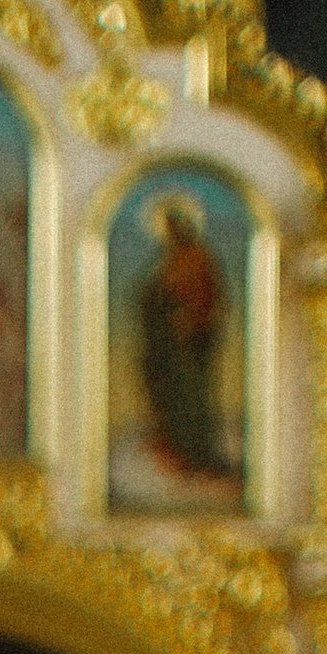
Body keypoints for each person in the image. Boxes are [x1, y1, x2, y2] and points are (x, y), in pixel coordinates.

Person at [135, 194, 230, 481]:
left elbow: (208, 297)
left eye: (177, 226)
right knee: (170, 393)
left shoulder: (200, 257)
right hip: (169, 343)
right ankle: (176, 447)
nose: (174, 233)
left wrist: (188, 316)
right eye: (170, 228)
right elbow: (158, 295)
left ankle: (199, 454)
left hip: (193, 340)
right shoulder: (169, 259)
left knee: (193, 396)